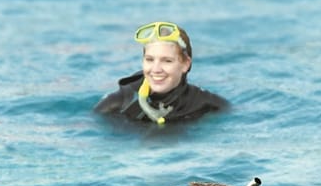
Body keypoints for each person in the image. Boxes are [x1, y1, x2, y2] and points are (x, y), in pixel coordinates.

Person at [94, 21, 228, 125]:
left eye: (167, 61)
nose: (156, 69)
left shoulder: (205, 103)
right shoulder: (120, 102)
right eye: (149, 59)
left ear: (185, 64)